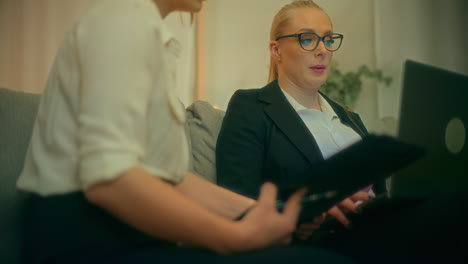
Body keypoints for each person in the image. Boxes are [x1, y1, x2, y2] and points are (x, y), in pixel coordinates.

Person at [16, 0, 356, 263]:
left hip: (127, 233)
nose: (321, 49)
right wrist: (233, 237)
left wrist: (269, 215)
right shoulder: (120, 22)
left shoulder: (150, 36)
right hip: (83, 237)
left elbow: (172, 178)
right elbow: (109, 181)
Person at [216, 0, 468, 263]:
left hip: (379, 225)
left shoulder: (350, 118)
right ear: (276, 50)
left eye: (327, 39)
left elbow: (380, 194)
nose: (323, 50)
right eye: (307, 39)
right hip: (321, 238)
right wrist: (304, 214)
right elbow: (236, 197)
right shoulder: (252, 106)